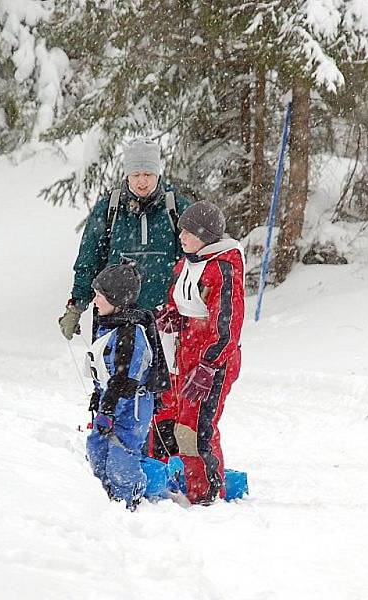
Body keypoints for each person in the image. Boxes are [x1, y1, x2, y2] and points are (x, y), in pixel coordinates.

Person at [151, 201, 245, 505]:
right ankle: (173, 481)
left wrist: (210, 365)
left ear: (205, 235)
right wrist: (173, 317)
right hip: (184, 354)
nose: (182, 236)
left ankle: (207, 494)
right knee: (169, 418)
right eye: (182, 231)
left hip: (212, 361)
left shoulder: (222, 268)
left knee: (196, 429)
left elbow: (228, 323)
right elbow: (180, 303)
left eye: (188, 232)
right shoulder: (185, 264)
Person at [58, 138, 190, 340]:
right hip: (115, 316)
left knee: (161, 371)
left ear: (158, 174)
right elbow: (89, 260)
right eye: (136, 174)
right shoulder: (109, 209)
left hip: (165, 318)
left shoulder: (175, 208)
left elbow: (195, 262)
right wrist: (76, 306)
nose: (142, 181)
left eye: (148, 174)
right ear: (127, 175)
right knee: (114, 370)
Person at [85, 262, 169, 510]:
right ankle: (103, 494)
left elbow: (123, 380)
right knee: (97, 448)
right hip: (111, 401)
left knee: (121, 454)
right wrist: (98, 397)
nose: (95, 300)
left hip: (131, 406)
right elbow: (105, 371)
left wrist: (108, 409)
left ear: (117, 299)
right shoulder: (108, 323)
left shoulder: (130, 333)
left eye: (100, 295)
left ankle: (128, 500)